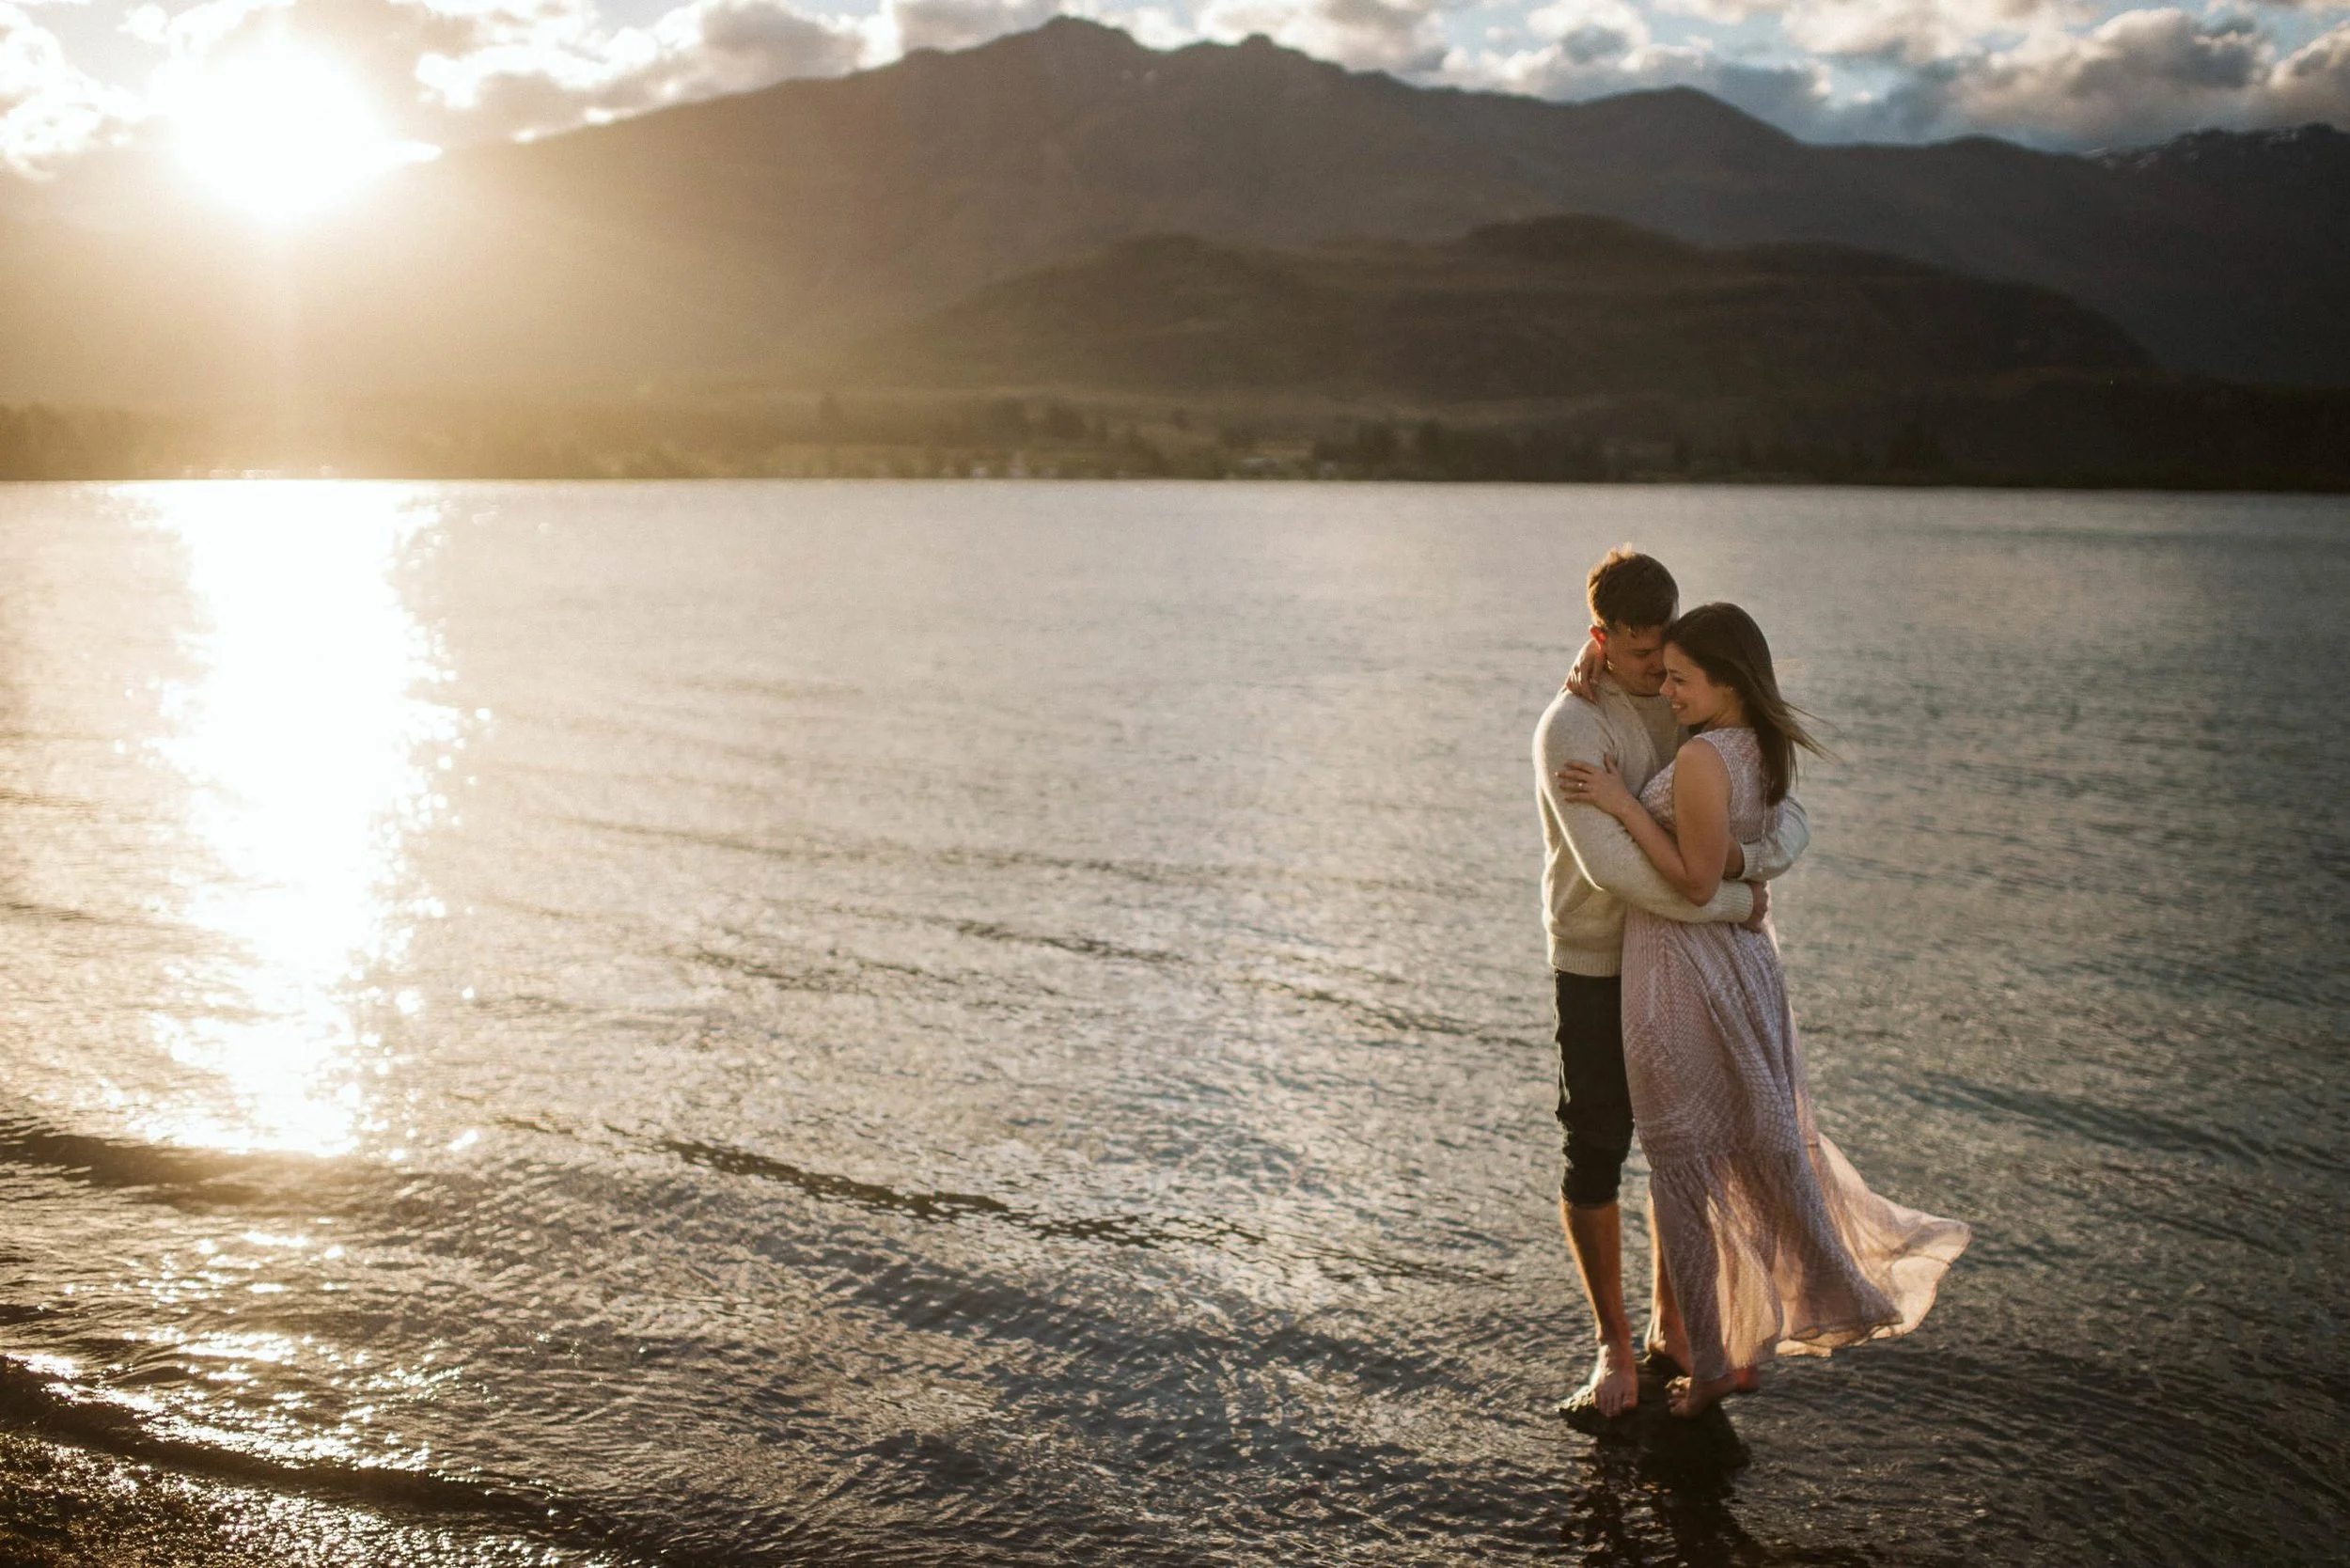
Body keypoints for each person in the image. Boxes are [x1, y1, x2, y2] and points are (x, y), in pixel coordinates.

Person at [1559, 602, 1970, 1417]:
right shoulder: (1759, 747)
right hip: (1739, 963)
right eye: (1663, 673)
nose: (1668, 691)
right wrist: (1591, 653)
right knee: (1734, 1153)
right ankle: (1734, 1345)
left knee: (1684, 1167)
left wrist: (1620, 801)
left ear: (1729, 683)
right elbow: (1734, 858)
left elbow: (1692, 881)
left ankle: (1713, 1361)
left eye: (1682, 679)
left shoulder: (1703, 755)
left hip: (1680, 970)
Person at [1533, 548, 1810, 1422]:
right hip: (1598, 958)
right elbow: (1615, 870)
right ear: (1600, 639)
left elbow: (1782, 816)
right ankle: (1612, 1347)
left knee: (1678, 1139)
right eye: (1640, 653)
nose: (1659, 671)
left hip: (1682, 957)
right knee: (1596, 1145)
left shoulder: (1695, 696)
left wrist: (1745, 865)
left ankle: (1673, 1326)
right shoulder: (1571, 728)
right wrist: (1732, 900)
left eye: (1667, 650)